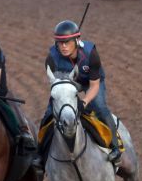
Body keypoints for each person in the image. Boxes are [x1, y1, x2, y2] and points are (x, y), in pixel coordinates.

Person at [33, 20, 122, 168]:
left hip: (90, 83)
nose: (63, 46)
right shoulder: (52, 58)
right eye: (60, 43)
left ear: (77, 40)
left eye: (67, 42)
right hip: (67, 84)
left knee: (99, 107)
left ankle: (115, 148)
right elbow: (58, 87)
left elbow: (94, 86)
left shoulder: (91, 54)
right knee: (49, 113)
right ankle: (40, 154)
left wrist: (84, 101)